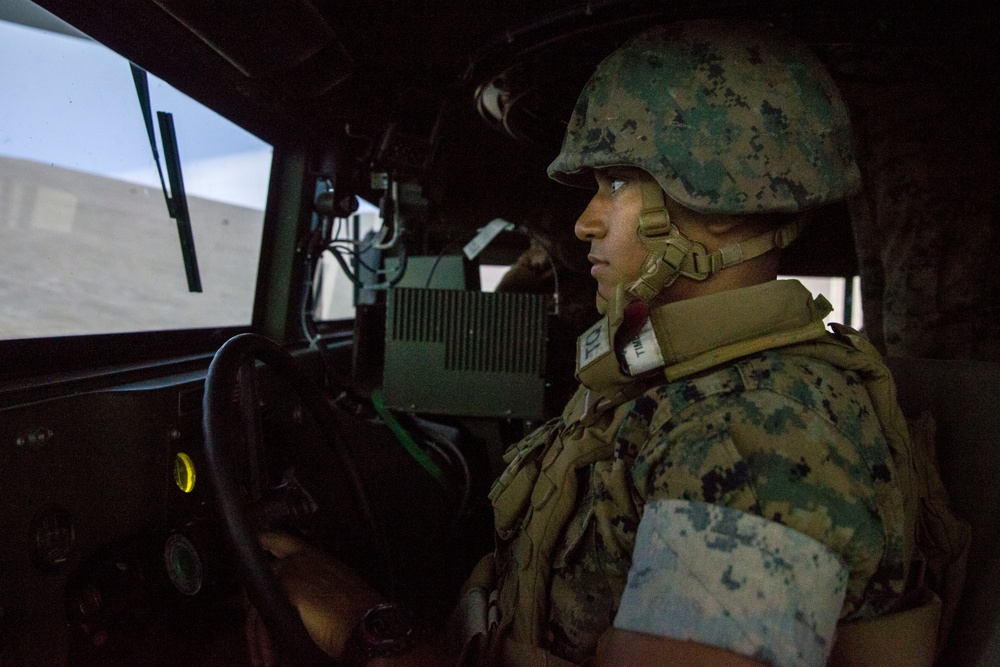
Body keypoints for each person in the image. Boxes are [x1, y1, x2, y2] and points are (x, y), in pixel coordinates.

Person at [247, 19, 932, 667]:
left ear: (724, 206)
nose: (583, 221)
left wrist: (365, 629)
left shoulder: (765, 435)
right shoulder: (674, 382)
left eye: (615, 183)